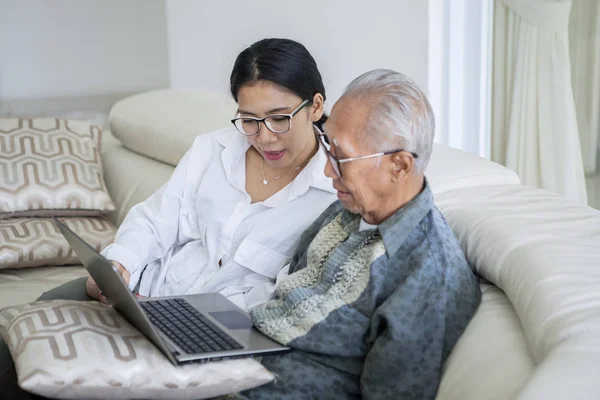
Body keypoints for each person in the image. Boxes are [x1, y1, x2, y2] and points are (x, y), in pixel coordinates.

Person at [0, 38, 337, 399]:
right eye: (250, 120)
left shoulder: (333, 193)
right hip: (136, 293)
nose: (264, 137)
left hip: (206, 330)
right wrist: (120, 267)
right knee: (14, 339)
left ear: (315, 106)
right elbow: (153, 219)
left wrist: (177, 316)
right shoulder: (214, 149)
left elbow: (284, 298)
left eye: (279, 118)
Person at [229, 69, 482, 400]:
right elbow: (286, 285)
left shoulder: (429, 273)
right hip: (232, 358)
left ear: (400, 166)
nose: (326, 169)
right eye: (327, 146)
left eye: (342, 156)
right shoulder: (348, 208)